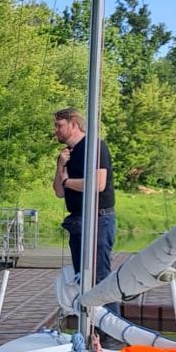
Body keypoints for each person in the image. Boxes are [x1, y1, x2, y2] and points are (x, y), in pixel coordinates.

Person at [52, 107, 116, 284]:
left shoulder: (95, 147)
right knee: (82, 277)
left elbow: (98, 184)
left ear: (73, 124)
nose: (55, 130)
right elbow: (58, 192)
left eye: (59, 125)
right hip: (77, 220)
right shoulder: (66, 154)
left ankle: (110, 312)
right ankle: (87, 311)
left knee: (99, 276)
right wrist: (60, 166)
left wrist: (67, 182)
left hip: (98, 219)